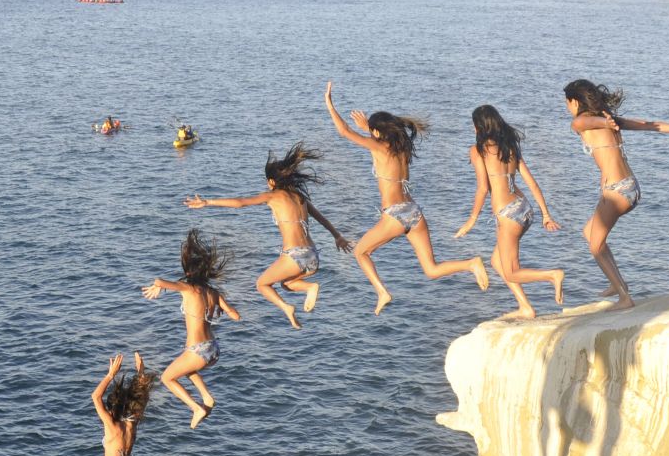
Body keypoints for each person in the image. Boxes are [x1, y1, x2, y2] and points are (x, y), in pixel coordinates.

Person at [324, 81, 489, 315]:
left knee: (361, 253)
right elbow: (377, 141)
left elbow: (344, 132)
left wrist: (330, 105)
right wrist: (368, 129)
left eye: (373, 132)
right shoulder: (402, 148)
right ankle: (470, 264)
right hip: (414, 212)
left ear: (378, 133)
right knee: (431, 269)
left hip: (395, 215)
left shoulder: (379, 148)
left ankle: (382, 292)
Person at [564, 80, 669, 309]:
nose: (567, 108)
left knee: (595, 246)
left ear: (575, 101)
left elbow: (584, 121)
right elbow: (649, 125)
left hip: (617, 192)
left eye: (567, 103)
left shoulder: (582, 122)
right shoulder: (610, 120)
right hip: (630, 187)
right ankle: (618, 285)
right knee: (589, 232)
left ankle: (625, 298)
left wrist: (602, 120)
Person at [184, 141, 353, 327]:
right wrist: (337, 236)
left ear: (272, 181)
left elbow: (241, 202)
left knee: (262, 284)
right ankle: (308, 288)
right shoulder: (299, 196)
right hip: (313, 255)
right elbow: (321, 217)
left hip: (294, 256)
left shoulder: (272, 196)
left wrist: (208, 202)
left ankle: (289, 306)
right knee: (286, 284)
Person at [454, 105, 565, 319]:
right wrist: (546, 214)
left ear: (479, 126)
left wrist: (471, 220)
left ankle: (552, 275)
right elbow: (532, 184)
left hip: (508, 214)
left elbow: (483, 188)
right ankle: (526, 307)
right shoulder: (511, 147)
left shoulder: (478, 150)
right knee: (497, 262)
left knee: (512, 271)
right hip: (524, 209)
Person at [142, 229, 241, 428]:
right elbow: (235, 316)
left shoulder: (188, 289)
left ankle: (196, 407)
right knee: (187, 370)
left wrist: (158, 287)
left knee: (168, 378)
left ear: (188, 273)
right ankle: (207, 397)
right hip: (213, 349)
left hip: (197, 350)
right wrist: (220, 310)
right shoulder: (213, 292)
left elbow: (159, 280)